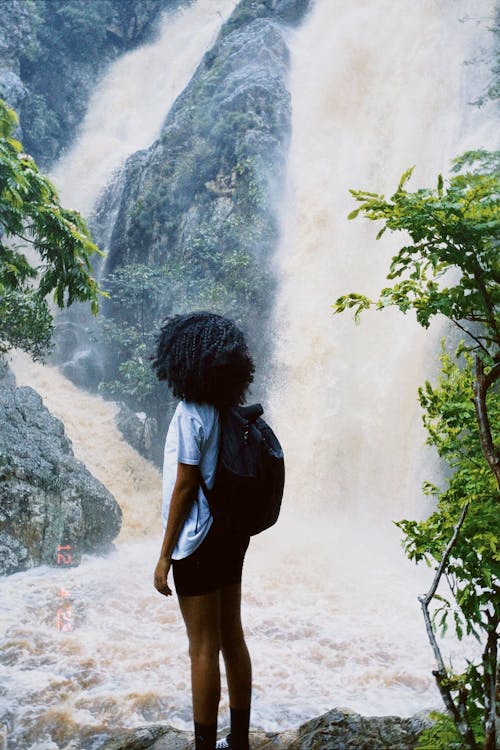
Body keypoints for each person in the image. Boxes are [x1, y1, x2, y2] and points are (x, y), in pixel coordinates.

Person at [152, 311, 254, 750]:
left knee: (201, 646)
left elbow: (185, 484)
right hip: (230, 535)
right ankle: (242, 739)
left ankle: (204, 745)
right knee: (232, 634)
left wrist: (164, 553)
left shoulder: (191, 411)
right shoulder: (228, 409)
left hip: (197, 539)